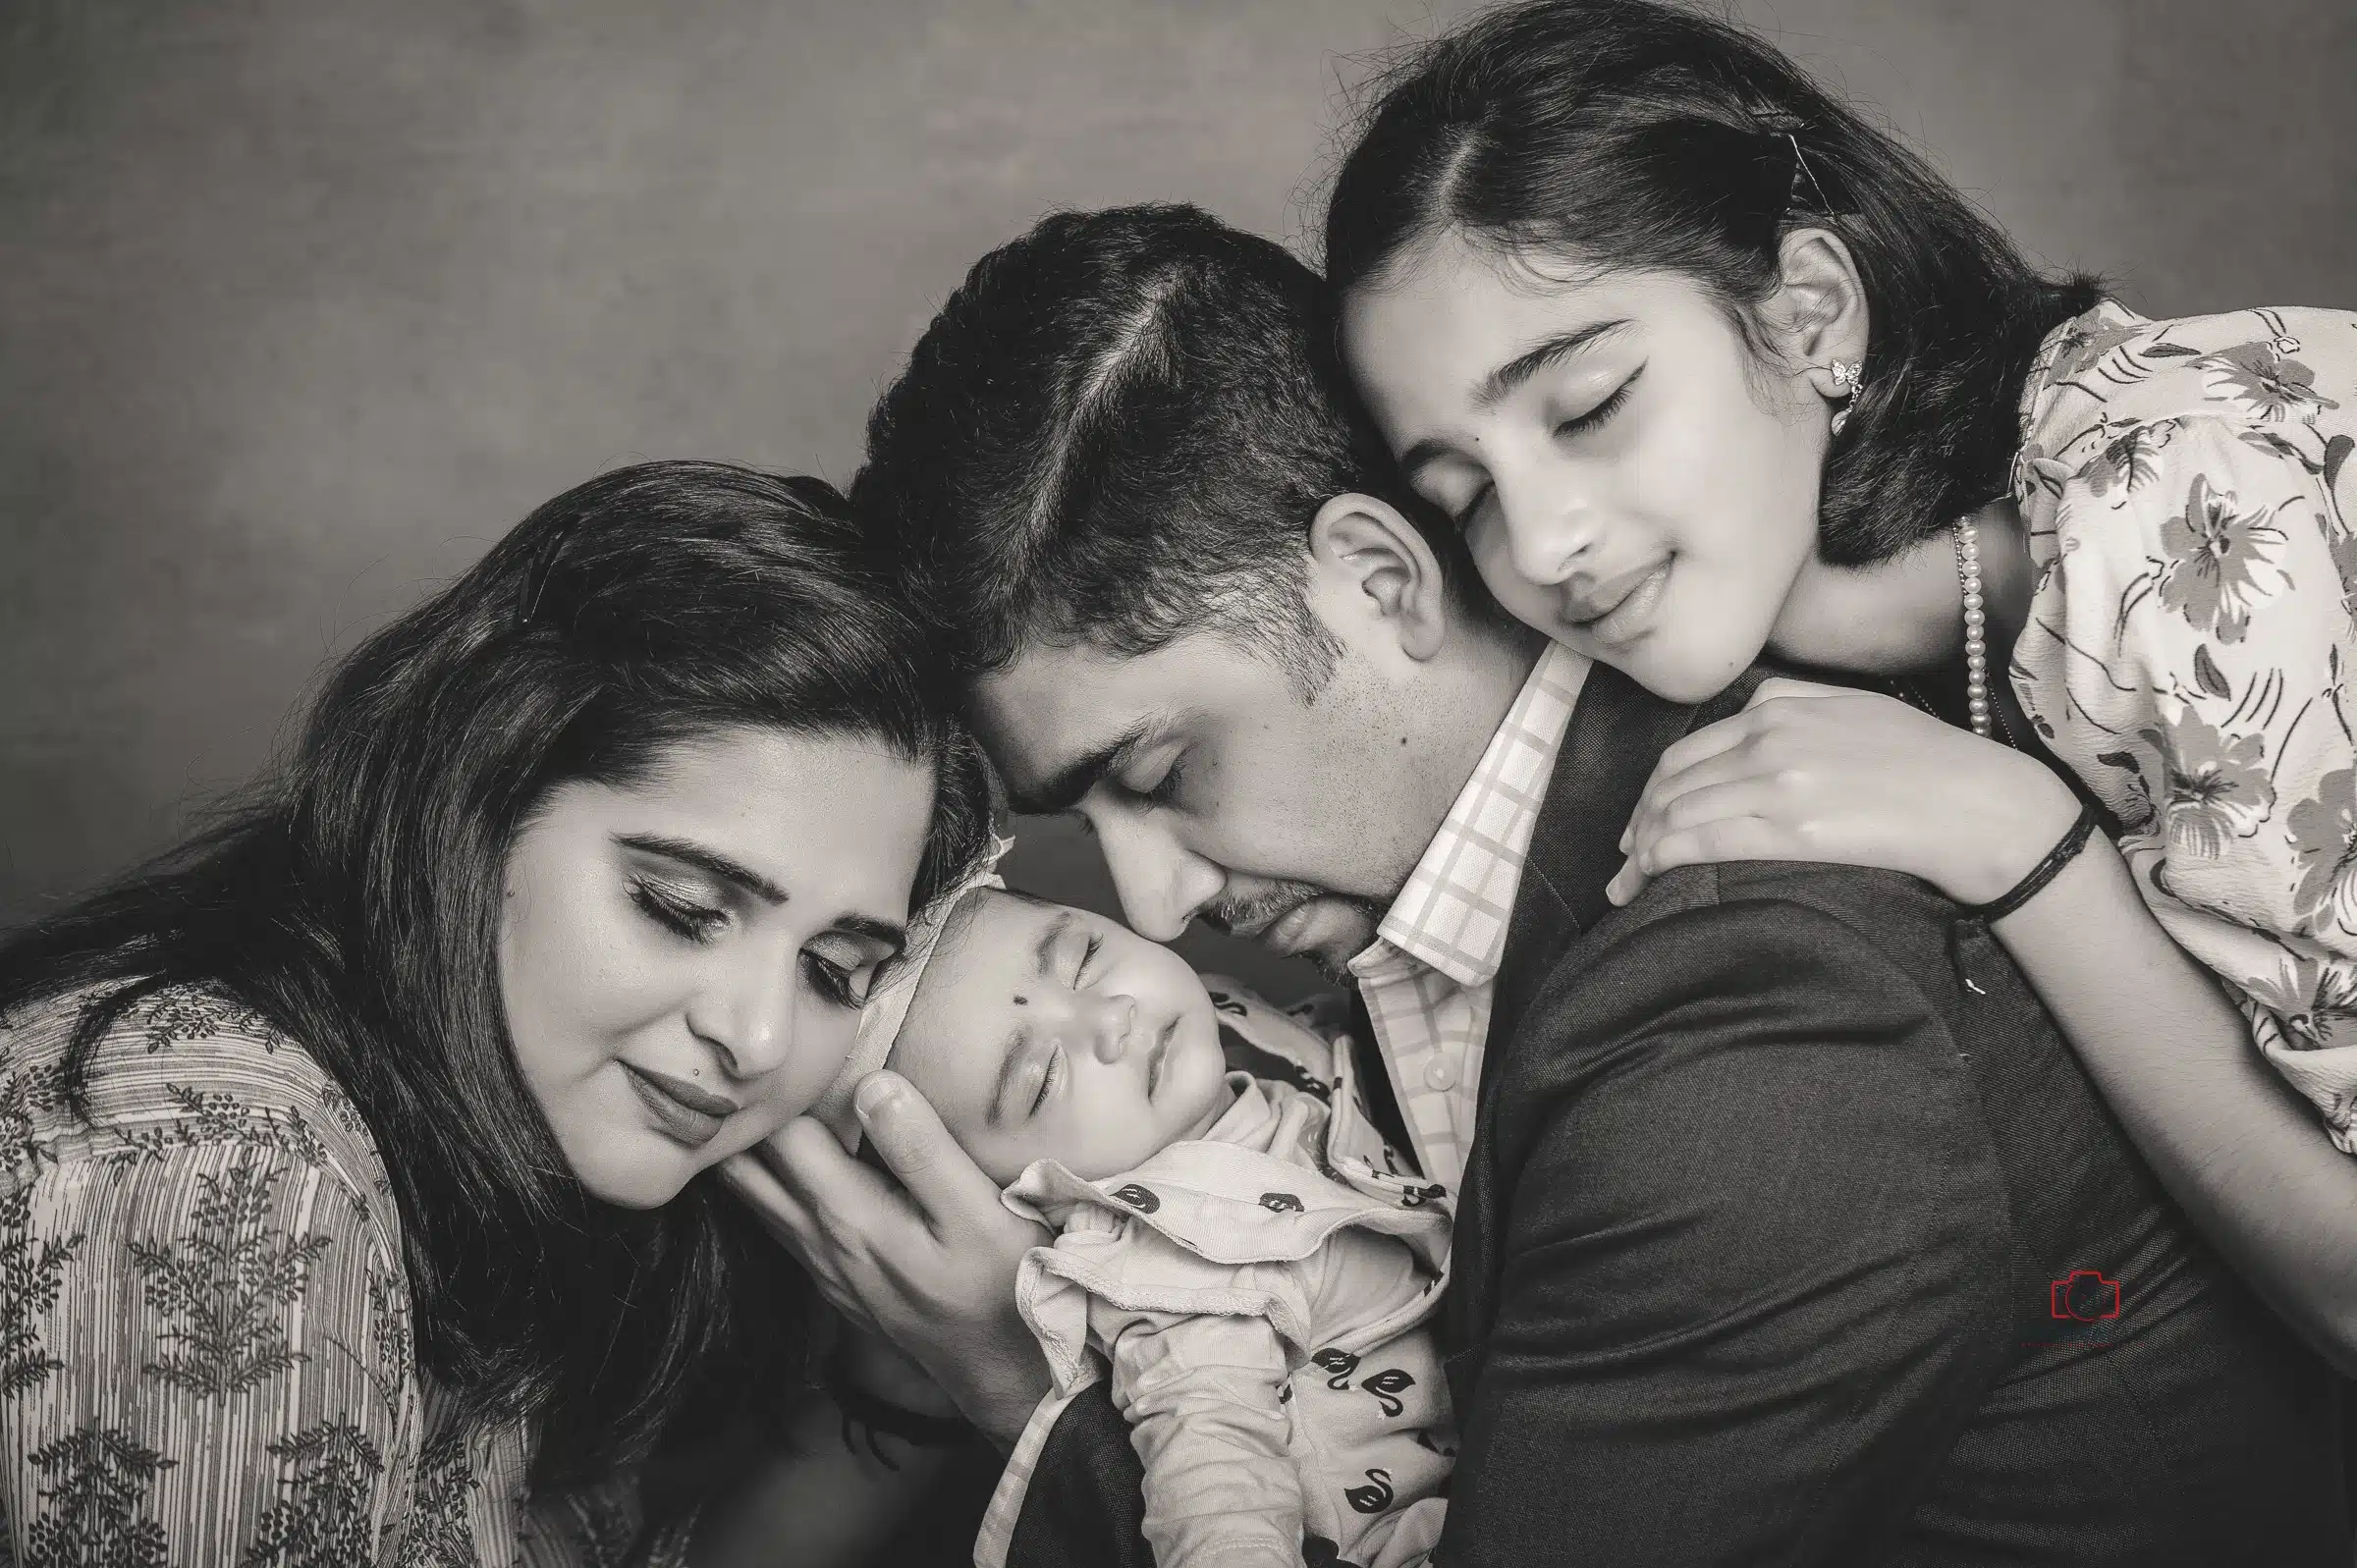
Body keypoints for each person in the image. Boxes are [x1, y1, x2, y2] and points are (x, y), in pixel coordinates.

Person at [737, 204, 2347, 1565]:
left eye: (1155, 776)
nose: (1147, 905)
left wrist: (1027, 1404)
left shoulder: (1759, 1012)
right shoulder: (1436, 912)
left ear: (1377, 582)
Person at [1324, 0, 2357, 1371]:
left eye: (1588, 407)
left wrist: (2024, 854)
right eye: (1463, 494)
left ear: (1813, 313)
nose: (1543, 541)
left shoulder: (2179, 529)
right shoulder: (1880, 630)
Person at [0, 461, 992, 1563]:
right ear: (475, 802)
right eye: (683, 908)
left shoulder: (489, 1164)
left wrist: (914, 1374)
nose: (757, 1040)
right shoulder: (224, 1165)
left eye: (835, 971)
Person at [863, 879, 1453, 1568]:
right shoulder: (1172, 1278)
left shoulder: (1244, 1033)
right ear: (1006, 1193)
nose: (1110, 1018)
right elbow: (1218, 1495)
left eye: (1083, 955)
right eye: (1042, 1077)